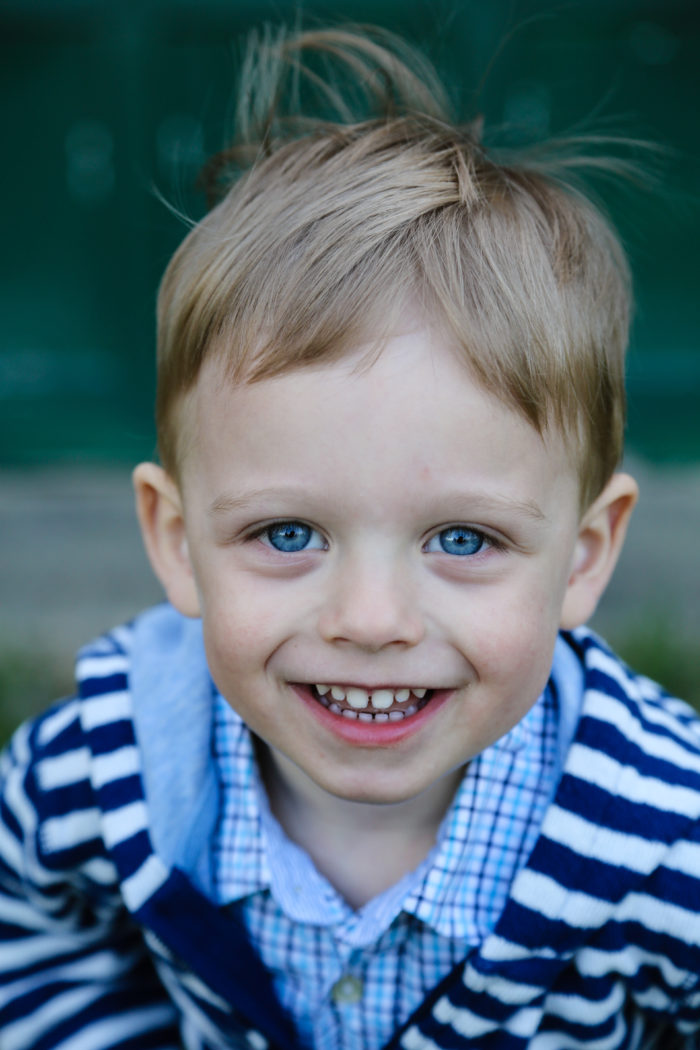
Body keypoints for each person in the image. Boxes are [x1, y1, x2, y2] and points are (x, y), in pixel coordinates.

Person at [1, 25, 699, 1050]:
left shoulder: (661, 835)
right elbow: (30, 941)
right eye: (288, 532)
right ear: (175, 536)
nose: (369, 621)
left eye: (462, 541)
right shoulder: (105, 773)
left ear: (584, 556)